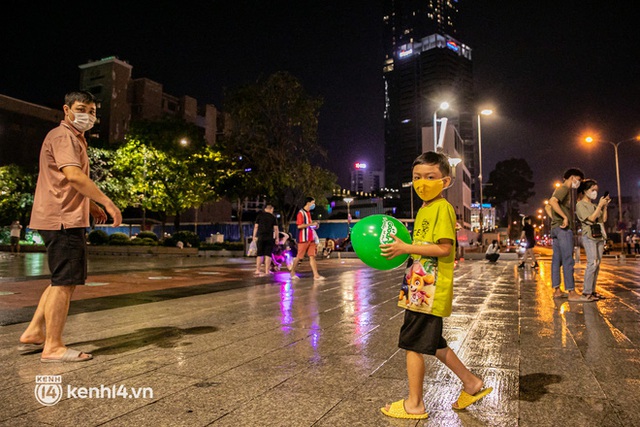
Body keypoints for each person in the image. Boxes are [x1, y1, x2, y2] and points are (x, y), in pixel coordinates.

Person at [380, 151, 492, 420]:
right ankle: (471, 383)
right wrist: (406, 249)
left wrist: (406, 247)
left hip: (428, 290)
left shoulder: (441, 208)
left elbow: (444, 248)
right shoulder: (426, 208)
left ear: (446, 181)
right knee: (434, 342)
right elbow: (423, 245)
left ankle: (415, 404)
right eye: (417, 178)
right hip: (418, 286)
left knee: (412, 344)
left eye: (430, 177)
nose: (422, 183)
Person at [18, 91, 122, 362]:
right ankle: (53, 346)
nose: (87, 115)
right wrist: (108, 203)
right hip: (63, 219)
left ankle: (34, 331)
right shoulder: (64, 136)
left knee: (60, 280)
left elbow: (62, 184)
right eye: (81, 108)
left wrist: (91, 206)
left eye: (92, 110)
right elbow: (73, 176)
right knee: (65, 283)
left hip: (60, 215)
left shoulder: (73, 138)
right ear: (66, 109)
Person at [548, 168, 585, 301]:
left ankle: (557, 290)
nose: (578, 183)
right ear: (572, 177)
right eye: (579, 180)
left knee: (556, 261)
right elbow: (552, 202)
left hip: (556, 228)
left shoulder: (562, 190)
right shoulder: (564, 188)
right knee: (568, 260)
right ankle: (571, 292)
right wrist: (564, 217)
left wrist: (556, 220)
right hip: (563, 229)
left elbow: (549, 206)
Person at [576, 179, 610, 301]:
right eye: (593, 190)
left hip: (599, 235)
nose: (595, 193)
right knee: (592, 263)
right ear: (585, 191)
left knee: (597, 265)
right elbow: (590, 219)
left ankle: (592, 291)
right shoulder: (580, 205)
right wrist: (600, 206)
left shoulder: (595, 205)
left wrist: (604, 207)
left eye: (596, 190)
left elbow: (603, 220)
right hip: (589, 236)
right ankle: (586, 293)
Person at [289, 197, 324, 280]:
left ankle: (316, 275)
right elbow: (299, 225)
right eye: (313, 202)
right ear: (308, 203)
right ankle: (292, 272)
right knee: (299, 257)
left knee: (312, 256)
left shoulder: (308, 213)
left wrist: (314, 225)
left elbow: (308, 225)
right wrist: (310, 224)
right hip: (303, 238)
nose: (314, 204)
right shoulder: (301, 213)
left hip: (310, 238)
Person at [252, 203, 279, 276]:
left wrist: (254, 236)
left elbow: (256, 227)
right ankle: (267, 271)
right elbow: (276, 229)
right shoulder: (273, 217)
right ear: (271, 209)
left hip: (260, 237)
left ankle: (257, 270)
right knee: (268, 254)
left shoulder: (259, 216)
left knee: (259, 254)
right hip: (269, 238)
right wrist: (277, 238)